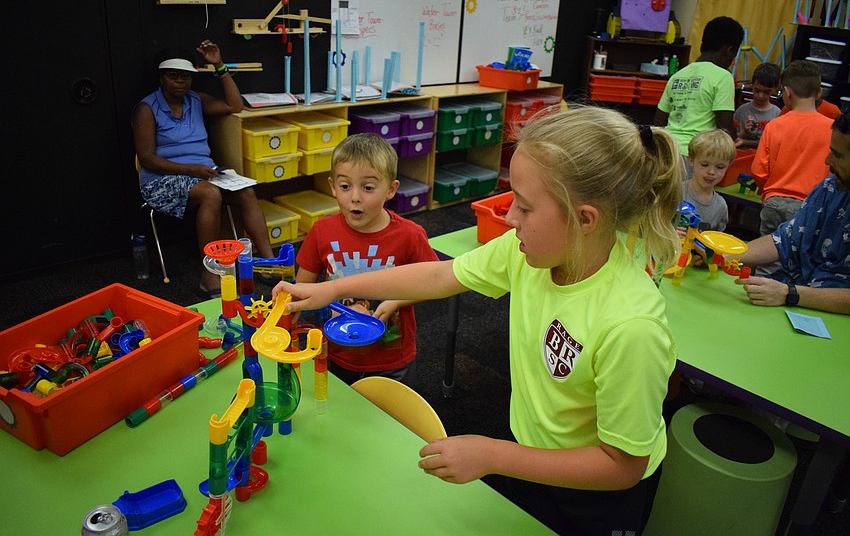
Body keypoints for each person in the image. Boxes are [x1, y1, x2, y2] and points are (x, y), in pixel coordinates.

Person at [273, 106, 683, 535]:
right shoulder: (527, 252)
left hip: (595, 498)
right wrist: (332, 289)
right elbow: (437, 275)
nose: (508, 219)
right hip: (529, 454)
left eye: (523, 207)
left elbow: (621, 466)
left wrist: (492, 455)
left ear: (584, 219)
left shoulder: (631, 327)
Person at [292, 133, 438, 385]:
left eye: (368, 187)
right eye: (345, 186)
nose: (355, 197)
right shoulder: (321, 231)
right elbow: (302, 290)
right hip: (335, 352)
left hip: (391, 358)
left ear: (391, 189)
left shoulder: (409, 235)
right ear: (332, 186)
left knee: (390, 418)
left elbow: (435, 282)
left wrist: (395, 301)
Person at [132, 40, 275, 296]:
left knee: (246, 192)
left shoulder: (195, 100)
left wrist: (219, 65)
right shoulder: (147, 108)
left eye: (186, 76)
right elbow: (147, 159)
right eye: (173, 76)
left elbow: (235, 106)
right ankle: (209, 273)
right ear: (162, 78)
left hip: (203, 172)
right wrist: (191, 171)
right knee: (210, 193)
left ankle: (268, 264)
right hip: (162, 179)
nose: (180, 81)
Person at [731, 109, 850, 315]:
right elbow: (786, 240)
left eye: (838, 155)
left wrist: (791, 294)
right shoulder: (831, 187)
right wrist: (725, 255)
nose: (827, 161)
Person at [750, 59, 832, 240]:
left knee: (768, 256)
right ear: (819, 92)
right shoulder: (832, 129)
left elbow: (758, 170)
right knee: (800, 259)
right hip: (812, 203)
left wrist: (769, 191)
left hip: (775, 200)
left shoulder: (775, 125)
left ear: (786, 92)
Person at [655, 16, 743, 175]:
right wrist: (736, 139)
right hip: (696, 157)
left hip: (666, 152)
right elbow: (724, 127)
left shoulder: (678, 75)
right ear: (729, 51)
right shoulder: (723, 77)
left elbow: (659, 120)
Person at [680, 129, 735, 236]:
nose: (711, 172)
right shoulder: (674, 192)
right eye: (705, 164)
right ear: (691, 160)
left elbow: (717, 241)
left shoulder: (720, 206)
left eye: (720, 167)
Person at [734, 62, 781, 149]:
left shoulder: (777, 114)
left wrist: (745, 142)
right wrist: (745, 132)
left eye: (767, 92)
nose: (760, 96)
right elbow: (733, 139)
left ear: (774, 89)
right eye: (756, 90)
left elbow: (772, 145)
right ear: (752, 86)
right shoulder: (742, 110)